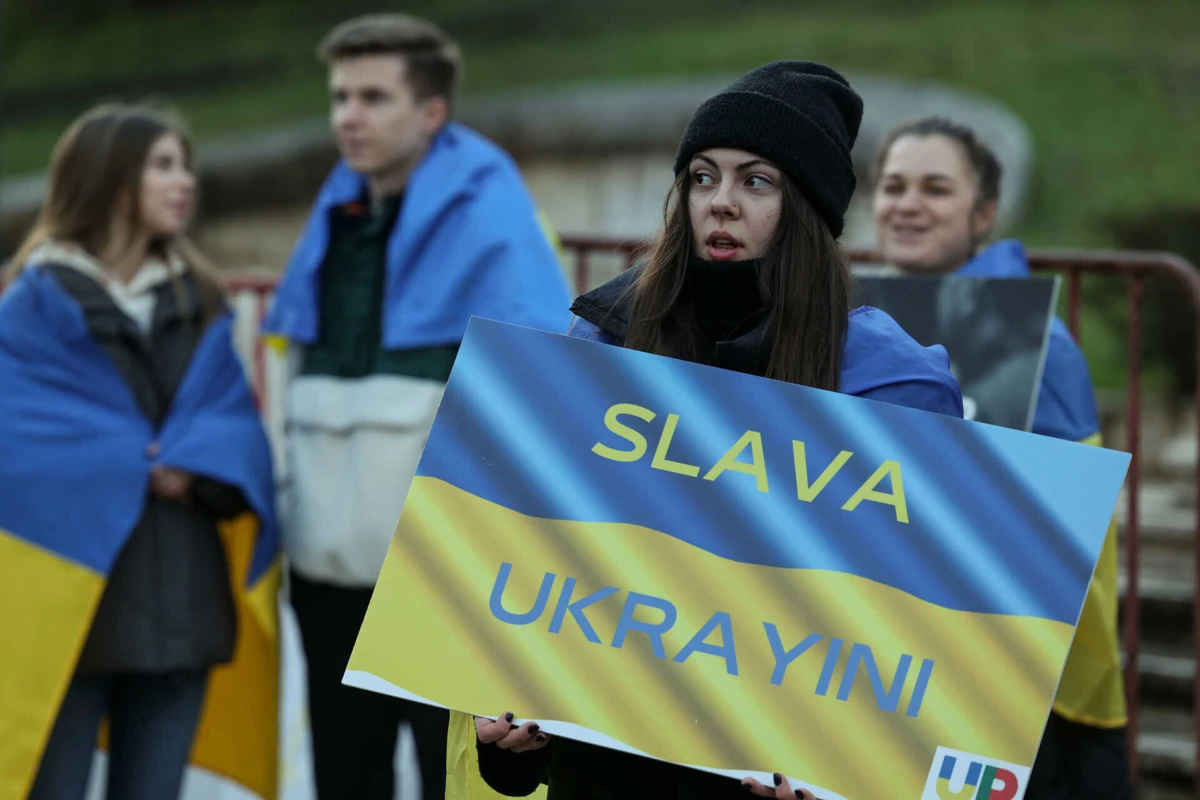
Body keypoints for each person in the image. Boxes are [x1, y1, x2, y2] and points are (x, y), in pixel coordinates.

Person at [472, 61, 964, 800]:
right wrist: (509, 743)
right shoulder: (600, 346)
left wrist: (833, 775)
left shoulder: (889, 384)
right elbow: (539, 589)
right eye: (703, 178)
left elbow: (906, 642)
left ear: (807, 207)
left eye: (755, 181)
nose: (721, 203)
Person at [261, 13, 572, 800]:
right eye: (339, 97)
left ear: (431, 111)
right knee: (344, 780)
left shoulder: (492, 217)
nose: (347, 117)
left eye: (372, 97)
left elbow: (537, 396)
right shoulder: (331, 220)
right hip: (328, 577)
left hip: (443, 583)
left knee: (453, 784)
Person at [0, 104, 278, 799]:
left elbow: (235, 437)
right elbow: (18, 444)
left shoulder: (203, 300)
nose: (184, 181)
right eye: (163, 165)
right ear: (109, 179)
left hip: (181, 605)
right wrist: (125, 461)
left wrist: (199, 474)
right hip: (65, 613)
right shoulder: (29, 308)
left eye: (185, 165)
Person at [871, 116, 1130, 800]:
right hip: (891, 662)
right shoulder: (858, 321)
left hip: (1013, 692)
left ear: (983, 215)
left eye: (935, 188)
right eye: (893, 186)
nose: (907, 204)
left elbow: (1074, 538)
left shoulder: (1036, 346)